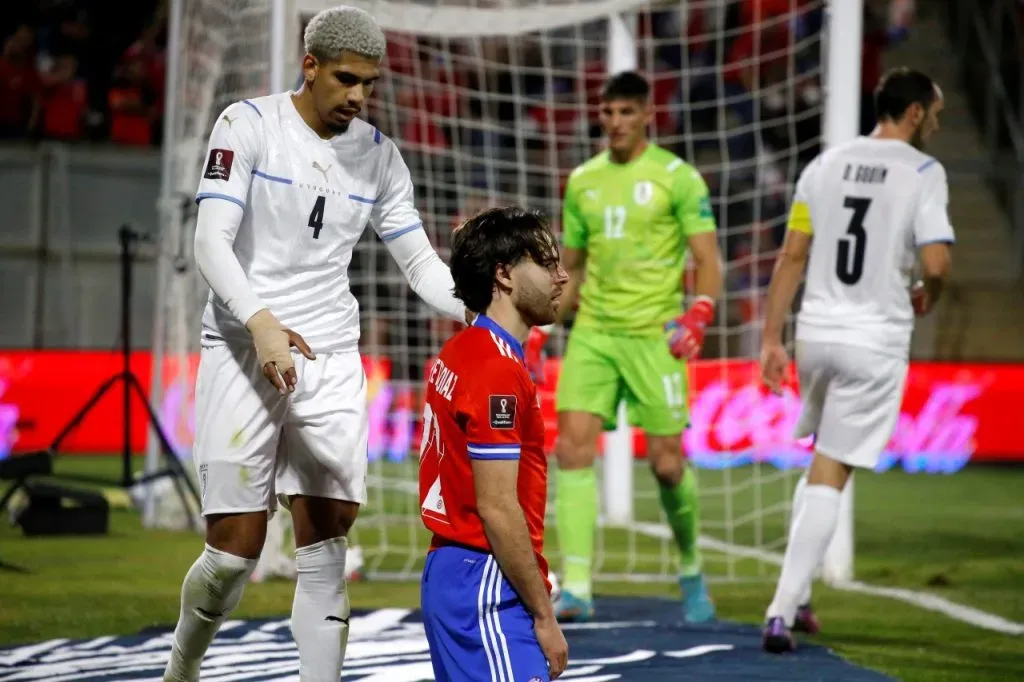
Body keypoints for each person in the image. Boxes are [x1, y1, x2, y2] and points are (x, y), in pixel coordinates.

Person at [162, 7, 470, 682]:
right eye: (346, 79)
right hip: (244, 350)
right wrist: (261, 322)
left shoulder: (380, 157)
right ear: (310, 66)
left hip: (328, 356)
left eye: (370, 84)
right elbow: (209, 241)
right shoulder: (246, 126)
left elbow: (420, 267)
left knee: (327, 540)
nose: (359, 97)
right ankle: (182, 667)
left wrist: (482, 304)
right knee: (233, 555)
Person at [759, 67, 953, 653]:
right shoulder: (923, 171)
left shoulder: (823, 165)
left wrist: (771, 337)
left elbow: (792, 255)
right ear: (915, 112)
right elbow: (938, 264)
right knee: (833, 468)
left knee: (821, 458)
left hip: (816, 333)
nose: (938, 125)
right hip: (873, 338)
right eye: (936, 115)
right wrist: (927, 293)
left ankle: (801, 594)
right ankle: (781, 609)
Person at [524, 71, 724, 623]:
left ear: (647, 115)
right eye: (607, 112)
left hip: (654, 337)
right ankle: (580, 587)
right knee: (571, 449)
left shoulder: (677, 178)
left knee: (665, 465)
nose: (613, 122)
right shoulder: (583, 180)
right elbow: (573, 268)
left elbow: (707, 260)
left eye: (625, 112)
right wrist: (540, 329)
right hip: (594, 334)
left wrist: (700, 314)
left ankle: (689, 567)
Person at [419, 206, 570, 681]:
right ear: (504, 274)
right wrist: (544, 615)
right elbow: (498, 508)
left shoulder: (462, 348)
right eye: (546, 264)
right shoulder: (497, 371)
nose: (562, 276)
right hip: (485, 582)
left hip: (452, 572)